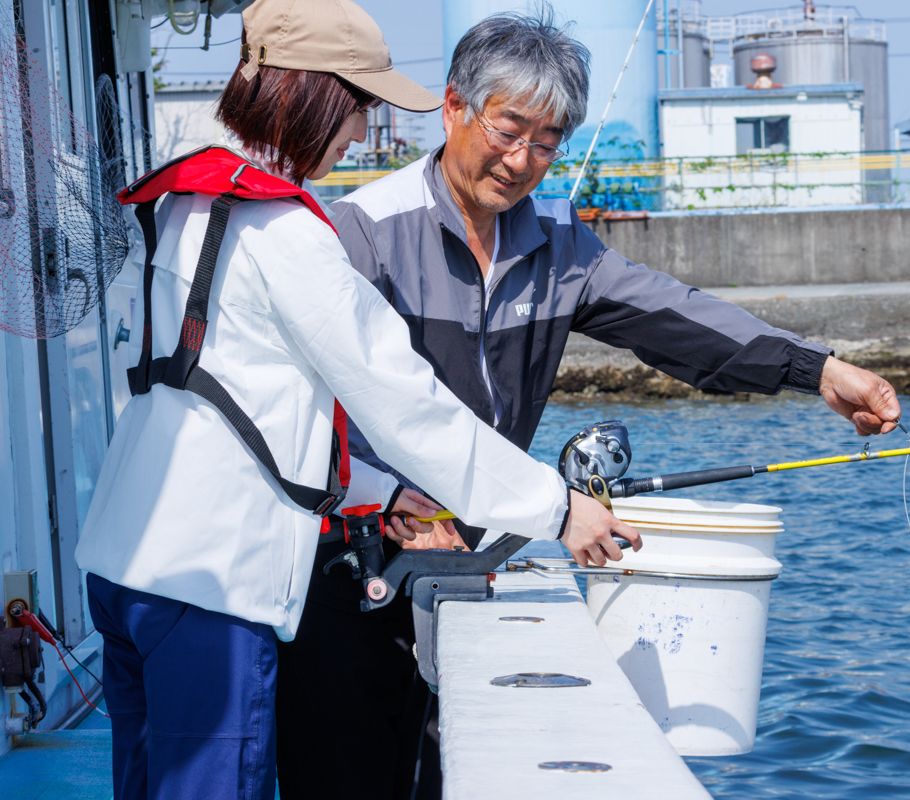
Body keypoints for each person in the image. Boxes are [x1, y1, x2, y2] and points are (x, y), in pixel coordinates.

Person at [275, 9, 903, 799]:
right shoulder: (362, 231)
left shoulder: (558, 241)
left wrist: (815, 370)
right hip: (350, 573)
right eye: (508, 128)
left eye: (546, 141)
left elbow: (676, 318)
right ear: (454, 107)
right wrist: (392, 498)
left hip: (478, 565)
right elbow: (308, 403)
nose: (521, 159)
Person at [74, 2, 639, 798]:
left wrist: (378, 491)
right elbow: (405, 402)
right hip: (211, 587)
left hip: (128, 566)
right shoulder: (287, 232)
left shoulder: (187, 200)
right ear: (311, 93)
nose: (364, 130)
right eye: (360, 104)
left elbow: (239, 399)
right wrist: (555, 508)